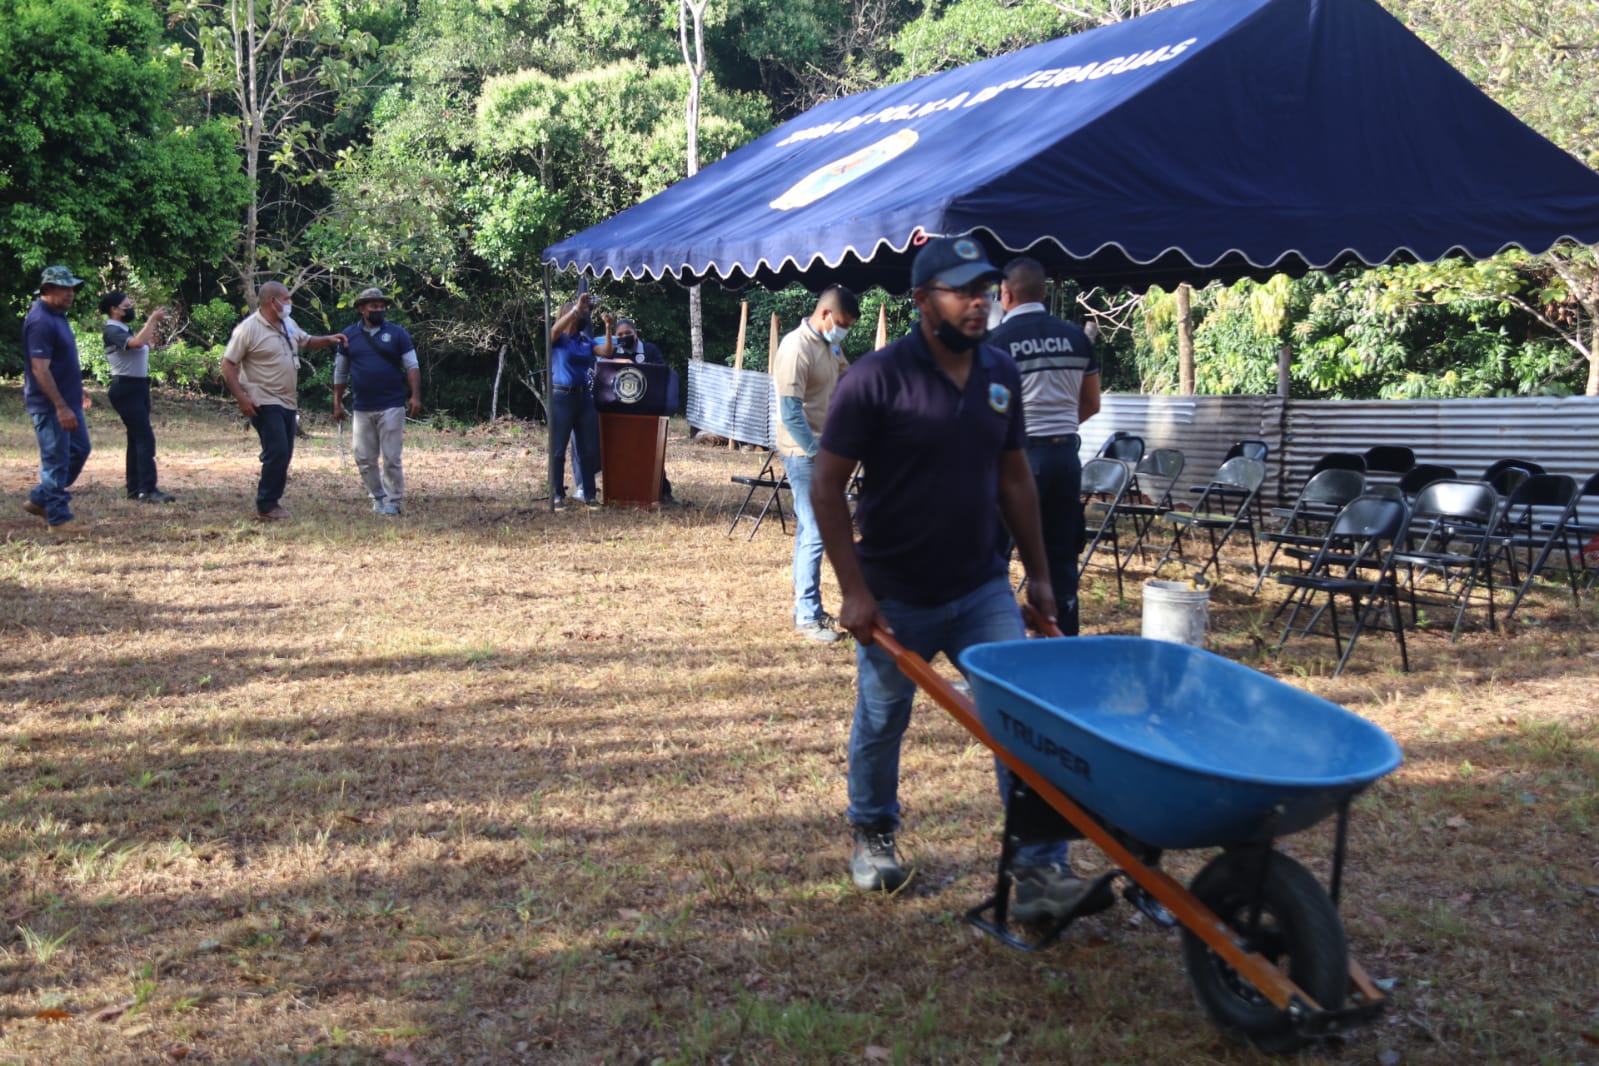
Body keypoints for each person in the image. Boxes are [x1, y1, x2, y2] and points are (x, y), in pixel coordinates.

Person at [813, 237, 1088, 920]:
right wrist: (852, 590)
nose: (977, 302)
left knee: (1019, 712)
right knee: (883, 717)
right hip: (896, 590)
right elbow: (825, 485)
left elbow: (1015, 477)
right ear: (921, 300)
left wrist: (1039, 576)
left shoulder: (1000, 372)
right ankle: (873, 833)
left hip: (980, 585)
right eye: (961, 290)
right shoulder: (874, 378)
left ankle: (1038, 867)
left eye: (984, 289)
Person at [988, 256, 1101, 635]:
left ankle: (999, 639)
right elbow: (1091, 403)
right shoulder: (1076, 338)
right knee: (1060, 557)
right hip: (1065, 459)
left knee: (994, 554)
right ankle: (1061, 643)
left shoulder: (997, 344)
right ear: (1042, 291)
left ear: (1006, 294)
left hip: (1016, 459)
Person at [773, 285, 859, 643]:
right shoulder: (796, 347)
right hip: (803, 450)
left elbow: (846, 377)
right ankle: (808, 616)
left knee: (811, 530)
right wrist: (818, 454)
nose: (844, 332)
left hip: (826, 446)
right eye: (842, 324)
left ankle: (807, 608)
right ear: (825, 314)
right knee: (817, 530)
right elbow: (790, 413)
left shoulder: (829, 344)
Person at [220, 281, 345, 521]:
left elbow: (307, 341)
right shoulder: (248, 329)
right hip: (263, 399)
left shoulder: (288, 323)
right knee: (277, 450)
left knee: (284, 452)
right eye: (286, 299)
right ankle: (266, 504)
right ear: (272, 301)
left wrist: (329, 339)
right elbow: (227, 364)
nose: (289, 303)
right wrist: (242, 398)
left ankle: (271, 500)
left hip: (288, 400)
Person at [332, 287, 422, 516]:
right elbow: (340, 372)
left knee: (391, 457)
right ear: (362, 309)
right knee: (363, 457)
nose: (379, 310)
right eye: (374, 306)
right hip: (362, 406)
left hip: (391, 404)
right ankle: (377, 497)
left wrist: (415, 395)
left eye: (382, 306)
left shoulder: (398, 334)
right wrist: (337, 403)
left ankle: (393, 500)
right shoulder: (348, 336)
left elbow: (412, 365)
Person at [22, 266, 91, 530]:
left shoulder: (57, 316)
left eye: (72, 288)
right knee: (56, 460)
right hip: (51, 405)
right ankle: (58, 518)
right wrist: (60, 406)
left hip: (68, 399)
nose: (70, 293)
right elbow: (40, 369)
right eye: (64, 288)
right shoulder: (40, 320)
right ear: (47, 289)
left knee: (79, 450)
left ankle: (41, 498)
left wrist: (77, 389)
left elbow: (62, 361)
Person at [591, 315, 681, 504]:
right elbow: (603, 370)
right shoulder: (613, 351)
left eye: (627, 333)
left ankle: (663, 492)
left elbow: (661, 373)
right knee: (621, 454)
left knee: (649, 453)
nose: (624, 337)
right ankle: (620, 493)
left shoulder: (650, 349)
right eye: (619, 334)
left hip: (647, 411)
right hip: (619, 412)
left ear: (635, 333)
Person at [100, 291, 174, 503]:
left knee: (135, 439)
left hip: (138, 386)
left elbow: (139, 346)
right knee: (145, 439)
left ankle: (135, 488)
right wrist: (152, 320)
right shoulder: (112, 330)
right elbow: (136, 343)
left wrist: (149, 342)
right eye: (126, 306)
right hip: (126, 388)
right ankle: (147, 490)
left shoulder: (123, 329)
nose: (130, 308)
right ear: (114, 309)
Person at [548, 291, 608, 510]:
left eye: (583, 314)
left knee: (586, 448)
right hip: (561, 397)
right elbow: (554, 330)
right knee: (558, 448)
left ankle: (590, 495)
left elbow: (607, 352)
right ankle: (556, 494)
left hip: (584, 397)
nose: (583, 317)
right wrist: (576, 308)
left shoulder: (585, 341)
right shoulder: (558, 340)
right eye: (580, 314)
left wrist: (608, 328)